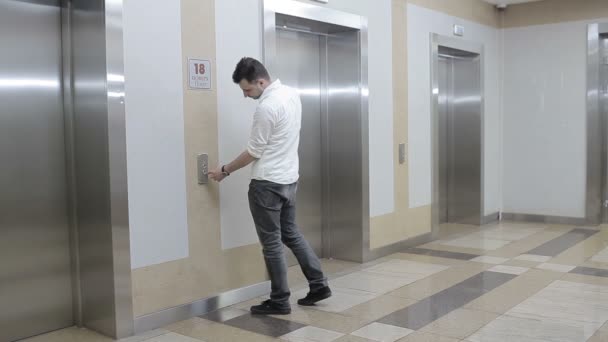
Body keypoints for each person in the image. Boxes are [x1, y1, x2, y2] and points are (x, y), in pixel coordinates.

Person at [209, 57, 332, 315]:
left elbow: (254, 151)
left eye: (247, 89)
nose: (245, 95)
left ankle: (279, 301)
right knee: (291, 234)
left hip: (267, 185)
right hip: (289, 180)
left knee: (272, 243)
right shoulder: (291, 95)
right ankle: (319, 284)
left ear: (261, 81)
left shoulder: (266, 107)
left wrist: (224, 171)